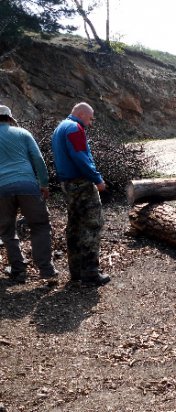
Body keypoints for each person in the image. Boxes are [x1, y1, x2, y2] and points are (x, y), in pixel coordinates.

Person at [51, 102, 110, 286]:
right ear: (82, 114)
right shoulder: (74, 128)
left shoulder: (59, 128)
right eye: (90, 119)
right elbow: (81, 157)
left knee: (75, 225)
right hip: (81, 183)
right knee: (92, 224)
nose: (90, 123)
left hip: (67, 184)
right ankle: (90, 274)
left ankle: (76, 271)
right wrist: (97, 179)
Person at [0, 105, 57, 283]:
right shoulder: (23, 133)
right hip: (27, 185)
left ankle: (18, 271)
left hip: (2, 188)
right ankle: (46, 270)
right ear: (10, 118)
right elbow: (38, 159)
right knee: (40, 226)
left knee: (7, 231)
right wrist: (44, 184)